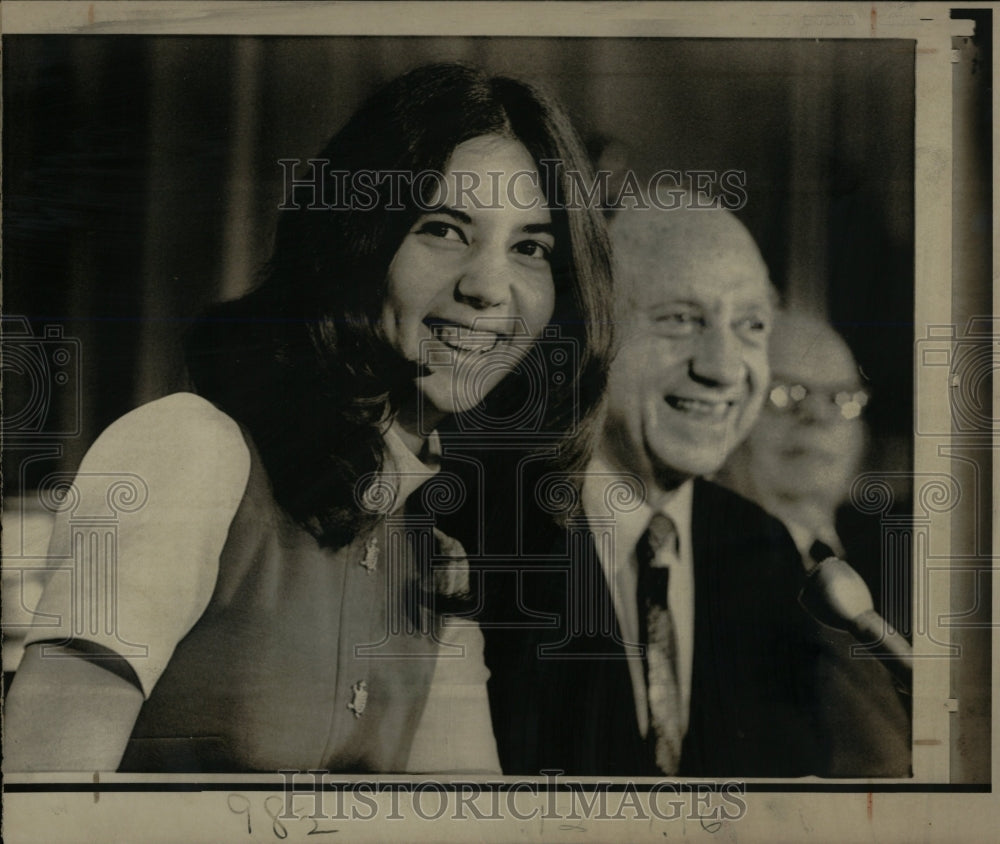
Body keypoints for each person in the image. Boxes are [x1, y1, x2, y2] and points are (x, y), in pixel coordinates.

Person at [3, 63, 613, 774]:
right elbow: (45, 805)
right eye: (443, 229)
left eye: (531, 248)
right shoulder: (190, 452)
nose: (487, 287)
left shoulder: (433, 558)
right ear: (355, 238)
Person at [464, 200, 909, 777]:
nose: (724, 368)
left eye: (751, 327)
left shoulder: (762, 549)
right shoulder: (483, 533)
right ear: (589, 329)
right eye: (680, 319)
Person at [717, 309, 910, 635]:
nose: (819, 416)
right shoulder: (701, 570)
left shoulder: (901, 563)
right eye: (785, 393)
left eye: (842, 398)